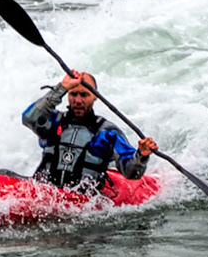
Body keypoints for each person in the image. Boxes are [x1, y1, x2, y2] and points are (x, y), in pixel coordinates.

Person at [21, 70, 157, 194]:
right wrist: (62, 87)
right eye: (73, 94)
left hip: (84, 200)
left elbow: (131, 173)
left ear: (95, 96)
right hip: (43, 192)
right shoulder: (52, 122)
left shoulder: (107, 132)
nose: (78, 100)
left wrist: (141, 155)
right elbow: (28, 118)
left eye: (84, 95)